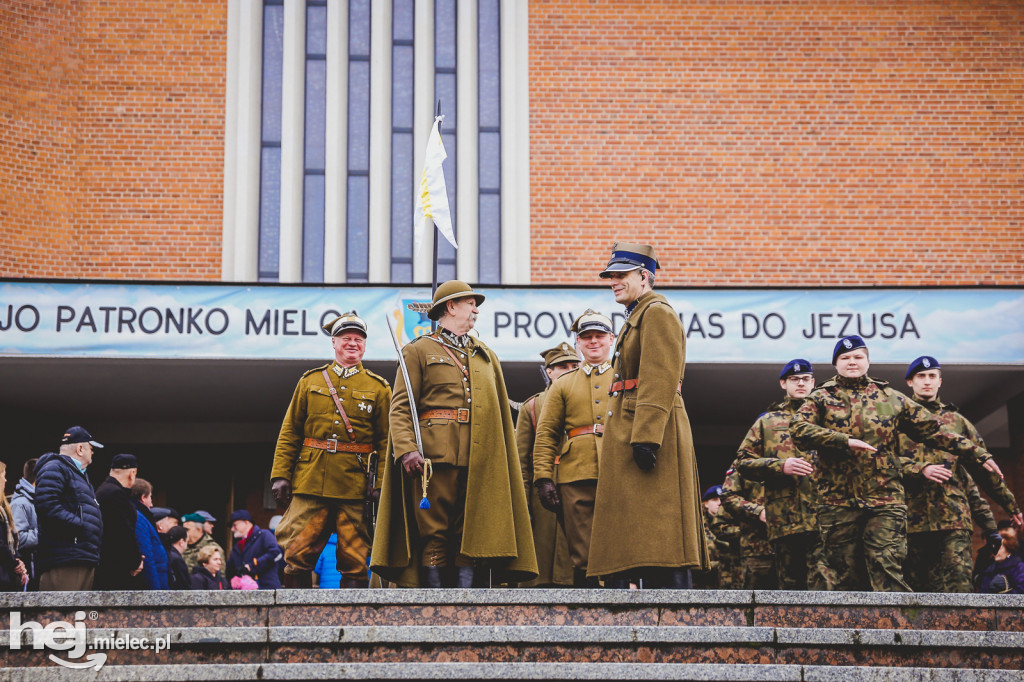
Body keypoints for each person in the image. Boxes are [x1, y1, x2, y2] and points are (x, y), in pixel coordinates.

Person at [791, 335, 1015, 592]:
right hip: (838, 500)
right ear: (835, 364)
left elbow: (933, 430)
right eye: (845, 358)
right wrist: (843, 440)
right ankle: (859, 631)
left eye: (858, 357)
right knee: (846, 574)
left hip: (885, 498)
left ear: (868, 361)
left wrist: (977, 452)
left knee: (887, 566)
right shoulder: (820, 398)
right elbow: (798, 429)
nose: (852, 362)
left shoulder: (891, 398)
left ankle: (897, 630)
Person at [371, 280, 538, 587]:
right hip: (434, 456)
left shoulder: (484, 354)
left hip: (479, 456)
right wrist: (407, 448)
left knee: (470, 531)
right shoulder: (419, 350)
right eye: (470, 303)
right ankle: (435, 603)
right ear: (451, 306)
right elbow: (401, 406)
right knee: (434, 531)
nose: (476, 309)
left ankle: (466, 604)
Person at [588, 243, 708, 588]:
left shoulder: (656, 312)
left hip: (652, 428)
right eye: (611, 276)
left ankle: (672, 605)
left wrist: (645, 437)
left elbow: (659, 378)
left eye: (621, 275)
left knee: (662, 528)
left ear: (644, 276)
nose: (613, 281)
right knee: (646, 527)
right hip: (637, 424)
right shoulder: (639, 314)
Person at [271, 311, 391, 589]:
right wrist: (281, 475)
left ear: (365, 345)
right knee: (296, 551)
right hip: (311, 480)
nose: (353, 343)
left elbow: (386, 441)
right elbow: (290, 432)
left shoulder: (379, 387)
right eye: (347, 338)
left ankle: (352, 624)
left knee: (355, 558)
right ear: (334, 343)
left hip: (356, 486)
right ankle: (294, 619)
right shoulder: (310, 381)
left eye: (359, 339)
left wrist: (381, 483)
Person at [897, 355, 1021, 593]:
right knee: (915, 595)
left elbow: (983, 470)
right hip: (910, 523)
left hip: (953, 521)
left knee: (959, 590)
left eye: (932, 376)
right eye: (921, 376)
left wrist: (1010, 506)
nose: (927, 381)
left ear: (940, 381)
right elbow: (882, 462)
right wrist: (920, 469)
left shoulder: (958, 423)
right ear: (909, 382)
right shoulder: (898, 421)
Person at [533, 310, 615, 588]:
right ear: (578, 343)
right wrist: (543, 478)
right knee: (581, 550)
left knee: (619, 546)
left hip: (619, 471)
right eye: (586, 337)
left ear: (611, 339)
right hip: (574, 474)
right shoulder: (564, 384)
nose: (593, 342)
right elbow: (546, 434)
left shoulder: (627, 377)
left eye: (599, 336)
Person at [732, 359, 829, 590]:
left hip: (825, 518)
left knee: (825, 586)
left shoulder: (827, 419)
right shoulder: (768, 422)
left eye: (806, 379)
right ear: (783, 383)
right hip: (785, 521)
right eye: (794, 379)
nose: (801, 384)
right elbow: (743, 462)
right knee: (790, 590)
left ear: (813, 383)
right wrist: (780, 466)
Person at [515, 342, 578, 588]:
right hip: (541, 490)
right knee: (539, 567)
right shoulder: (532, 406)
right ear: (549, 371)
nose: (570, 370)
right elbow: (521, 458)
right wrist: (522, 501)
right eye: (562, 366)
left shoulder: (592, 399)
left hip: (577, 485)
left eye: (574, 365)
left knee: (577, 562)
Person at [34, 427, 105, 591]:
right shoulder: (56, 468)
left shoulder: (76, 473)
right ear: (80, 449)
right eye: (91, 448)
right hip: (66, 557)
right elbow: (47, 505)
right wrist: (80, 526)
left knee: (74, 614)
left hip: (78, 555)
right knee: (60, 614)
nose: (92, 453)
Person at [721, 466, 777, 589]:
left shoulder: (800, 455)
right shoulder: (745, 462)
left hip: (797, 544)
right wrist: (758, 511)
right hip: (759, 548)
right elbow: (728, 497)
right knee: (757, 598)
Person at [95, 453, 145, 590]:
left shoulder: (104, 490)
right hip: (115, 567)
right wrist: (135, 561)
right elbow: (122, 532)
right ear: (132, 473)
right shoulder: (116, 494)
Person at [226, 510, 282, 589]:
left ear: (246, 523)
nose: (232, 529)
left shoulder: (264, 535)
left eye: (234, 525)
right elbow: (230, 571)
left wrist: (251, 566)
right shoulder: (237, 547)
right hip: (246, 595)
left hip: (267, 590)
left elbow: (276, 553)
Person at [130, 478, 169, 590]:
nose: (152, 504)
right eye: (150, 497)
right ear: (143, 497)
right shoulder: (139, 518)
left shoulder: (140, 516)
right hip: (153, 586)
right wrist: (156, 593)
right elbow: (147, 556)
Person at [10, 458, 38, 588]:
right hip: (28, 573)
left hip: (36, 568)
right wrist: (46, 532)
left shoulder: (34, 499)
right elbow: (19, 539)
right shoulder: (20, 503)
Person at [0, 461, 28, 591]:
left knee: (14, 612)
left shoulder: (4, 508)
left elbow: (11, 540)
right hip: (4, 575)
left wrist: (18, 560)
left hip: (8, 574)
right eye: (3, 475)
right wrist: (14, 563)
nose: (5, 480)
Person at [166, 526, 191, 590]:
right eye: (187, 541)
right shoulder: (177, 559)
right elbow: (184, 584)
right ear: (181, 542)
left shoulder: (166, 553)